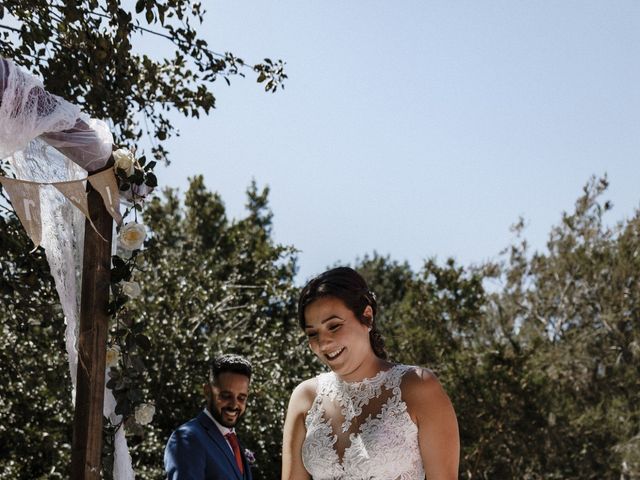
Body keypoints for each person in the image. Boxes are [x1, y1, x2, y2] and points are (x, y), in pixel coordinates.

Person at [282, 267, 460, 480]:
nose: (323, 342)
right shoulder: (304, 398)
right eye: (313, 333)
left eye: (334, 326)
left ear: (367, 317)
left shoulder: (418, 386)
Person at [165, 354, 254, 480]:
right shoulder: (188, 438)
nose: (234, 405)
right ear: (207, 391)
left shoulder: (233, 441)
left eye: (241, 398)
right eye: (226, 396)